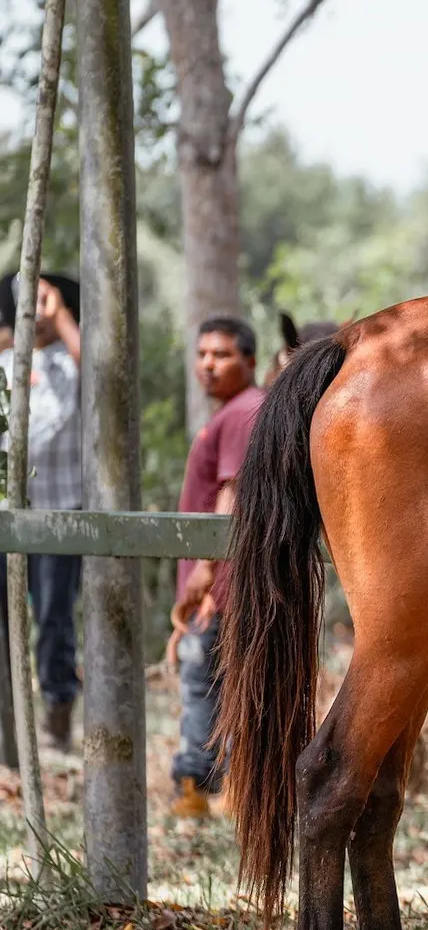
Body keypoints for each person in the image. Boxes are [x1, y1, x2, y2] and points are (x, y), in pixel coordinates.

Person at [167, 316, 263, 817]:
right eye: (202, 353)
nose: (208, 363)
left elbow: (233, 493)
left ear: (249, 360)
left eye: (221, 354)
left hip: (220, 588)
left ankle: (196, 788)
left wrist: (207, 573)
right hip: (222, 584)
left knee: (201, 680)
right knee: (220, 685)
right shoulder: (236, 411)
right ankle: (222, 789)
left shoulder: (244, 412)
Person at [0, 272, 84, 758]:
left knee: (53, 619)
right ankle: (10, 731)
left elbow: (100, 373)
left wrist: (61, 315)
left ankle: (56, 719)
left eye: (42, 301)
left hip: (61, 510)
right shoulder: (8, 363)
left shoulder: (73, 361)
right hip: (11, 513)